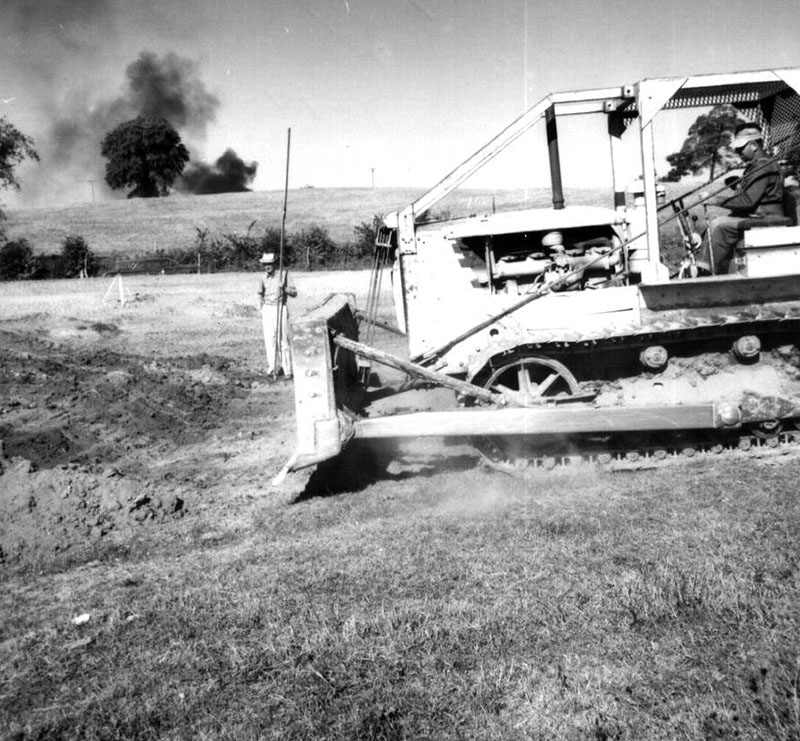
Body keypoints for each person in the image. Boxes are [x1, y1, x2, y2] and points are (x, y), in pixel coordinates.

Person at [696, 123, 785, 274]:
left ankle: (704, 273)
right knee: (713, 223)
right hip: (758, 217)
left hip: (767, 218)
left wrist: (715, 199)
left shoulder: (763, 166)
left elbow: (748, 202)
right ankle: (719, 269)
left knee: (718, 225)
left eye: (741, 147)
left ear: (754, 145)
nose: (737, 151)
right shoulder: (756, 166)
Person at [257, 252, 297, 379]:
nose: (267, 266)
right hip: (268, 309)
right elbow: (259, 294)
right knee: (270, 340)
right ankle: (272, 369)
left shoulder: (284, 275)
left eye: (269, 264)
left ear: (275, 263)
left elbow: (294, 293)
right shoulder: (262, 277)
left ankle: (287, 370)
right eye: (265, 264)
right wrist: (261, 308)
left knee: (283, 340)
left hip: (280, 308)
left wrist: (284, 287)